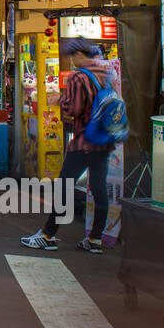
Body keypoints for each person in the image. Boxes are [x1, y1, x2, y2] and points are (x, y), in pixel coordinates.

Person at [21, 38, 119, 254]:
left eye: (73, 56)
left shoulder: (79, 78)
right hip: (103, 142)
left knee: (64, 187)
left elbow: (73, 109)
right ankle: (95, 239)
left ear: (80, 55)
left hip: (84, 141)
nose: (71, 60)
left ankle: (48, 235)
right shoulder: (105, 75)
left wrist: (60, 100)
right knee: (100, 188)